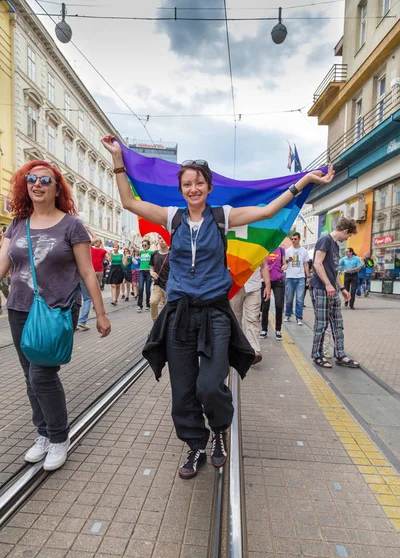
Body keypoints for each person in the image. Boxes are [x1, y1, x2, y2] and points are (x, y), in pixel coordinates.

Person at [101, 134, 334, 479]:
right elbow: (128, 202)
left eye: (198, 183)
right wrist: (118, 159)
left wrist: (303, 181)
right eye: (187, 184)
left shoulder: (222, 216)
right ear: (180, 189)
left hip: (214, 313)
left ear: (208, 187)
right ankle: (196, 445)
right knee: (182, 392)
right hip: (180, 313)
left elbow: (269, 209)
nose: (193, 188)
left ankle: (219, 432)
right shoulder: (172, 217)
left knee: (210, 385)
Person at [0, 160, 111, 470]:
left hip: (57, 309)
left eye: (45, 180)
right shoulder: (18, 223)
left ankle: (60, 437)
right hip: (20, 308)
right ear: (25, 185)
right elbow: (2, 265)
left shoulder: (71, 225)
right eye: (31, 179)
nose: (37, 184)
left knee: (42, 374)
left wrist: (100, 314)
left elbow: (88, 272)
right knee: (29, 377)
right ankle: (43, 434)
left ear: (56, 186)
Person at [309, 217, 360, 369]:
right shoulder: (325, 240)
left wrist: (343, 289)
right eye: (348, 235)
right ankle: (317, 355)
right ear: (345, 231)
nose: (347, 239)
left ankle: (340, 354)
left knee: (338, 323)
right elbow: (317, 264)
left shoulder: (335, 246)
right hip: (320, 288)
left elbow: (335, 271)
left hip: (332, 289)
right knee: (321, 323)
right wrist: (327, 284)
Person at [231, 268, 266, 364]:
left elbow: (263, 265)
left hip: (253, 286)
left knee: (253, 318)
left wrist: (268, 285)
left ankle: (254, 351)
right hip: (235, 285)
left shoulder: (258, 251)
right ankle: (238, 349)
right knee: (235, 320)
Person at [284, 232, 310, 326]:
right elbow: (284, 263)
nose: (293, 241)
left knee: (299, 299)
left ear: (299, 239)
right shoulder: (288, 251)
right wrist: (287, 261)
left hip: (300, 278)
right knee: (289, 299)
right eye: (292, 239)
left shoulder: (304, 251)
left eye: (295, 239)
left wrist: (308, 277)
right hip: (290, 277)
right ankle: (287, 314)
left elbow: (306, 264)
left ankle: (299, 317)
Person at [260, 245, 285, 341]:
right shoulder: (265, 247)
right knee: (265, 306)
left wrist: (285, 265)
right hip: (265, 281)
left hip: (278, 280)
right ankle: (264, 329)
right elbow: (260, 264)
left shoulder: (281, 250)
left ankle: (278, 330)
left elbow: (284, 263)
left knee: (279, 305)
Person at [149, 235, 170, 322]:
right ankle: (155, 323)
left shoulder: (172, 253)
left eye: (164, 238)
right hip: (157, 284)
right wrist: (152, 272)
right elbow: (151, 267)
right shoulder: (155, 253)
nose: (162, 240)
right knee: (153, 302)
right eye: (160, 238)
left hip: (169, 285)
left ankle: (166, 325)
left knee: (168, 307)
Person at [137, 239, 153, 312]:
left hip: (149, 272)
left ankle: (148, 305)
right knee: (140, 289)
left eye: (145, 245)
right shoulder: (141, 252)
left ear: (148, 246)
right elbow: (134, 248)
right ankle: (139, 305)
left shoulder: (151, 252)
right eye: (143, 245)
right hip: (141, 271)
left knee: (147, 290)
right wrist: (133, 239)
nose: (144, 246)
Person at [107, 242, 124, 306]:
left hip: (119, 269)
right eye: (114, 247)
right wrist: (110, 253)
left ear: (118, 248)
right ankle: (113, 299)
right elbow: (110, 260)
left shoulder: (121, 255)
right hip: (113, 269)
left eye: (116, 247)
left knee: (118, 285)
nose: (115, 248)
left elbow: (123, 262)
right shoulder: (112, 254)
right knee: (113, 285)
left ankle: (116, 299)